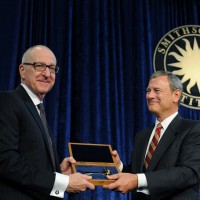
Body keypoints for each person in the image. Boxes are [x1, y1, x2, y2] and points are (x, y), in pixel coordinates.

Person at [0, 45, 95, 200]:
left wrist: (57, 172)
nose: (47, 74)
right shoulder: (7, 101)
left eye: (52, 68)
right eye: (39, 66)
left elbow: (30, 161)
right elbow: (5, 160)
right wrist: (63, 182)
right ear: (22, 70)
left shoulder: (38, 110)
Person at [104, 71, 200, 200]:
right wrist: (119, 166)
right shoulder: (142, 136)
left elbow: (189, 173)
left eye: (156, 90)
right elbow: (137, 174)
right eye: (148, 91)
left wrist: (138, 180)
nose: (150, 96)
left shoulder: (193, 129)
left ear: (176, 95)